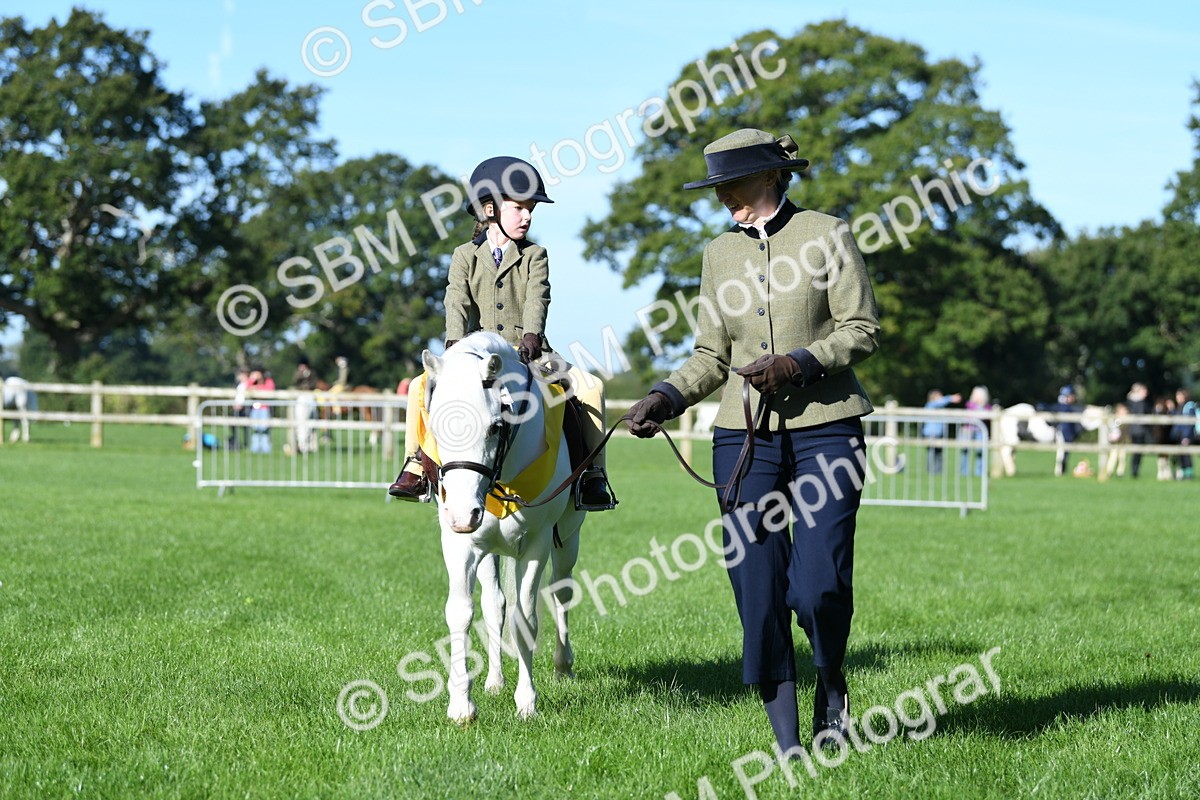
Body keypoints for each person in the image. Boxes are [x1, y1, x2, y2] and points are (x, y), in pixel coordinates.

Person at [624, 129, 879, 754]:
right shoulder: (718, 254)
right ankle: (790, 747)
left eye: (732, 186)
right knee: (757, 587)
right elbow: (711, 354)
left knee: (817, 586)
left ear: (772, 177)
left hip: (828, 428)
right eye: (718, 190)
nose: (725, 199)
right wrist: (668, 394)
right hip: (744, 439)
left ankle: (831, 681)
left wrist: (800, 363)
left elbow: (862, 329)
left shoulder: (828, 233)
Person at [387, 156, 616, 510]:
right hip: (475, 356)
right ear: (490, 209)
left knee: (590, 387)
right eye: (519, 208)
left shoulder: (535, 255)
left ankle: (592, 477)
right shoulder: (464, 255)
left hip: (531, 352)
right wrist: (453, 341)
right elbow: (456, 299)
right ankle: (416, 465)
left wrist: (531, 335)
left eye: (531, 210)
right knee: (419, 386)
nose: (527, 216)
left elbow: (538, 297)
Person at [921, 390, 961, 475]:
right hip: (930, 433)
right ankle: (930, 471)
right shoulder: (930, 405)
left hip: (939, 433)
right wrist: (951, 398)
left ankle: (939, 471)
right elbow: (938, 403)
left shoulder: (940, 408)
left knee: (939, 453)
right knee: (931, 453)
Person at [1048, 385, 1081, 476]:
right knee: (1062, 452)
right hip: (1062, 433)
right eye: (1071, 395)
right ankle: (1059, 472)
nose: (1073, 397)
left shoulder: (1067, 407)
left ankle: (1062, 471)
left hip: (1066, 435)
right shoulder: (1063, 407)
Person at [960, 385, 991, 477]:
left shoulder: (987, 407)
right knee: (965, 451)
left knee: (980, 452)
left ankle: (979, 472)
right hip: (968, 431)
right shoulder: (969, 404)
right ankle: (964, 472)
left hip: (979, 432)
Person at [1125, 383, 1152, 478]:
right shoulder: (1141, 402)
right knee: (1138, 452)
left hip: (1133, 430)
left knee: (1135, 452)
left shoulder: (1130, 401)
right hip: (1140, 430)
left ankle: (1134, 470)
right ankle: (1135, 471)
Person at [1169, 387, 1196, 479]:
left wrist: (1186, 436)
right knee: (1180, 455)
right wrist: (1171, 409)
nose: (1177, 397)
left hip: (1186, 435)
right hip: (1179, 435)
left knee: (1186, 455)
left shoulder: (1189, 406)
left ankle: (1189, 474)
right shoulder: (1179, 407)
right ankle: (1183, 473)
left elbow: (1191, 422)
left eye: (1179, 395)